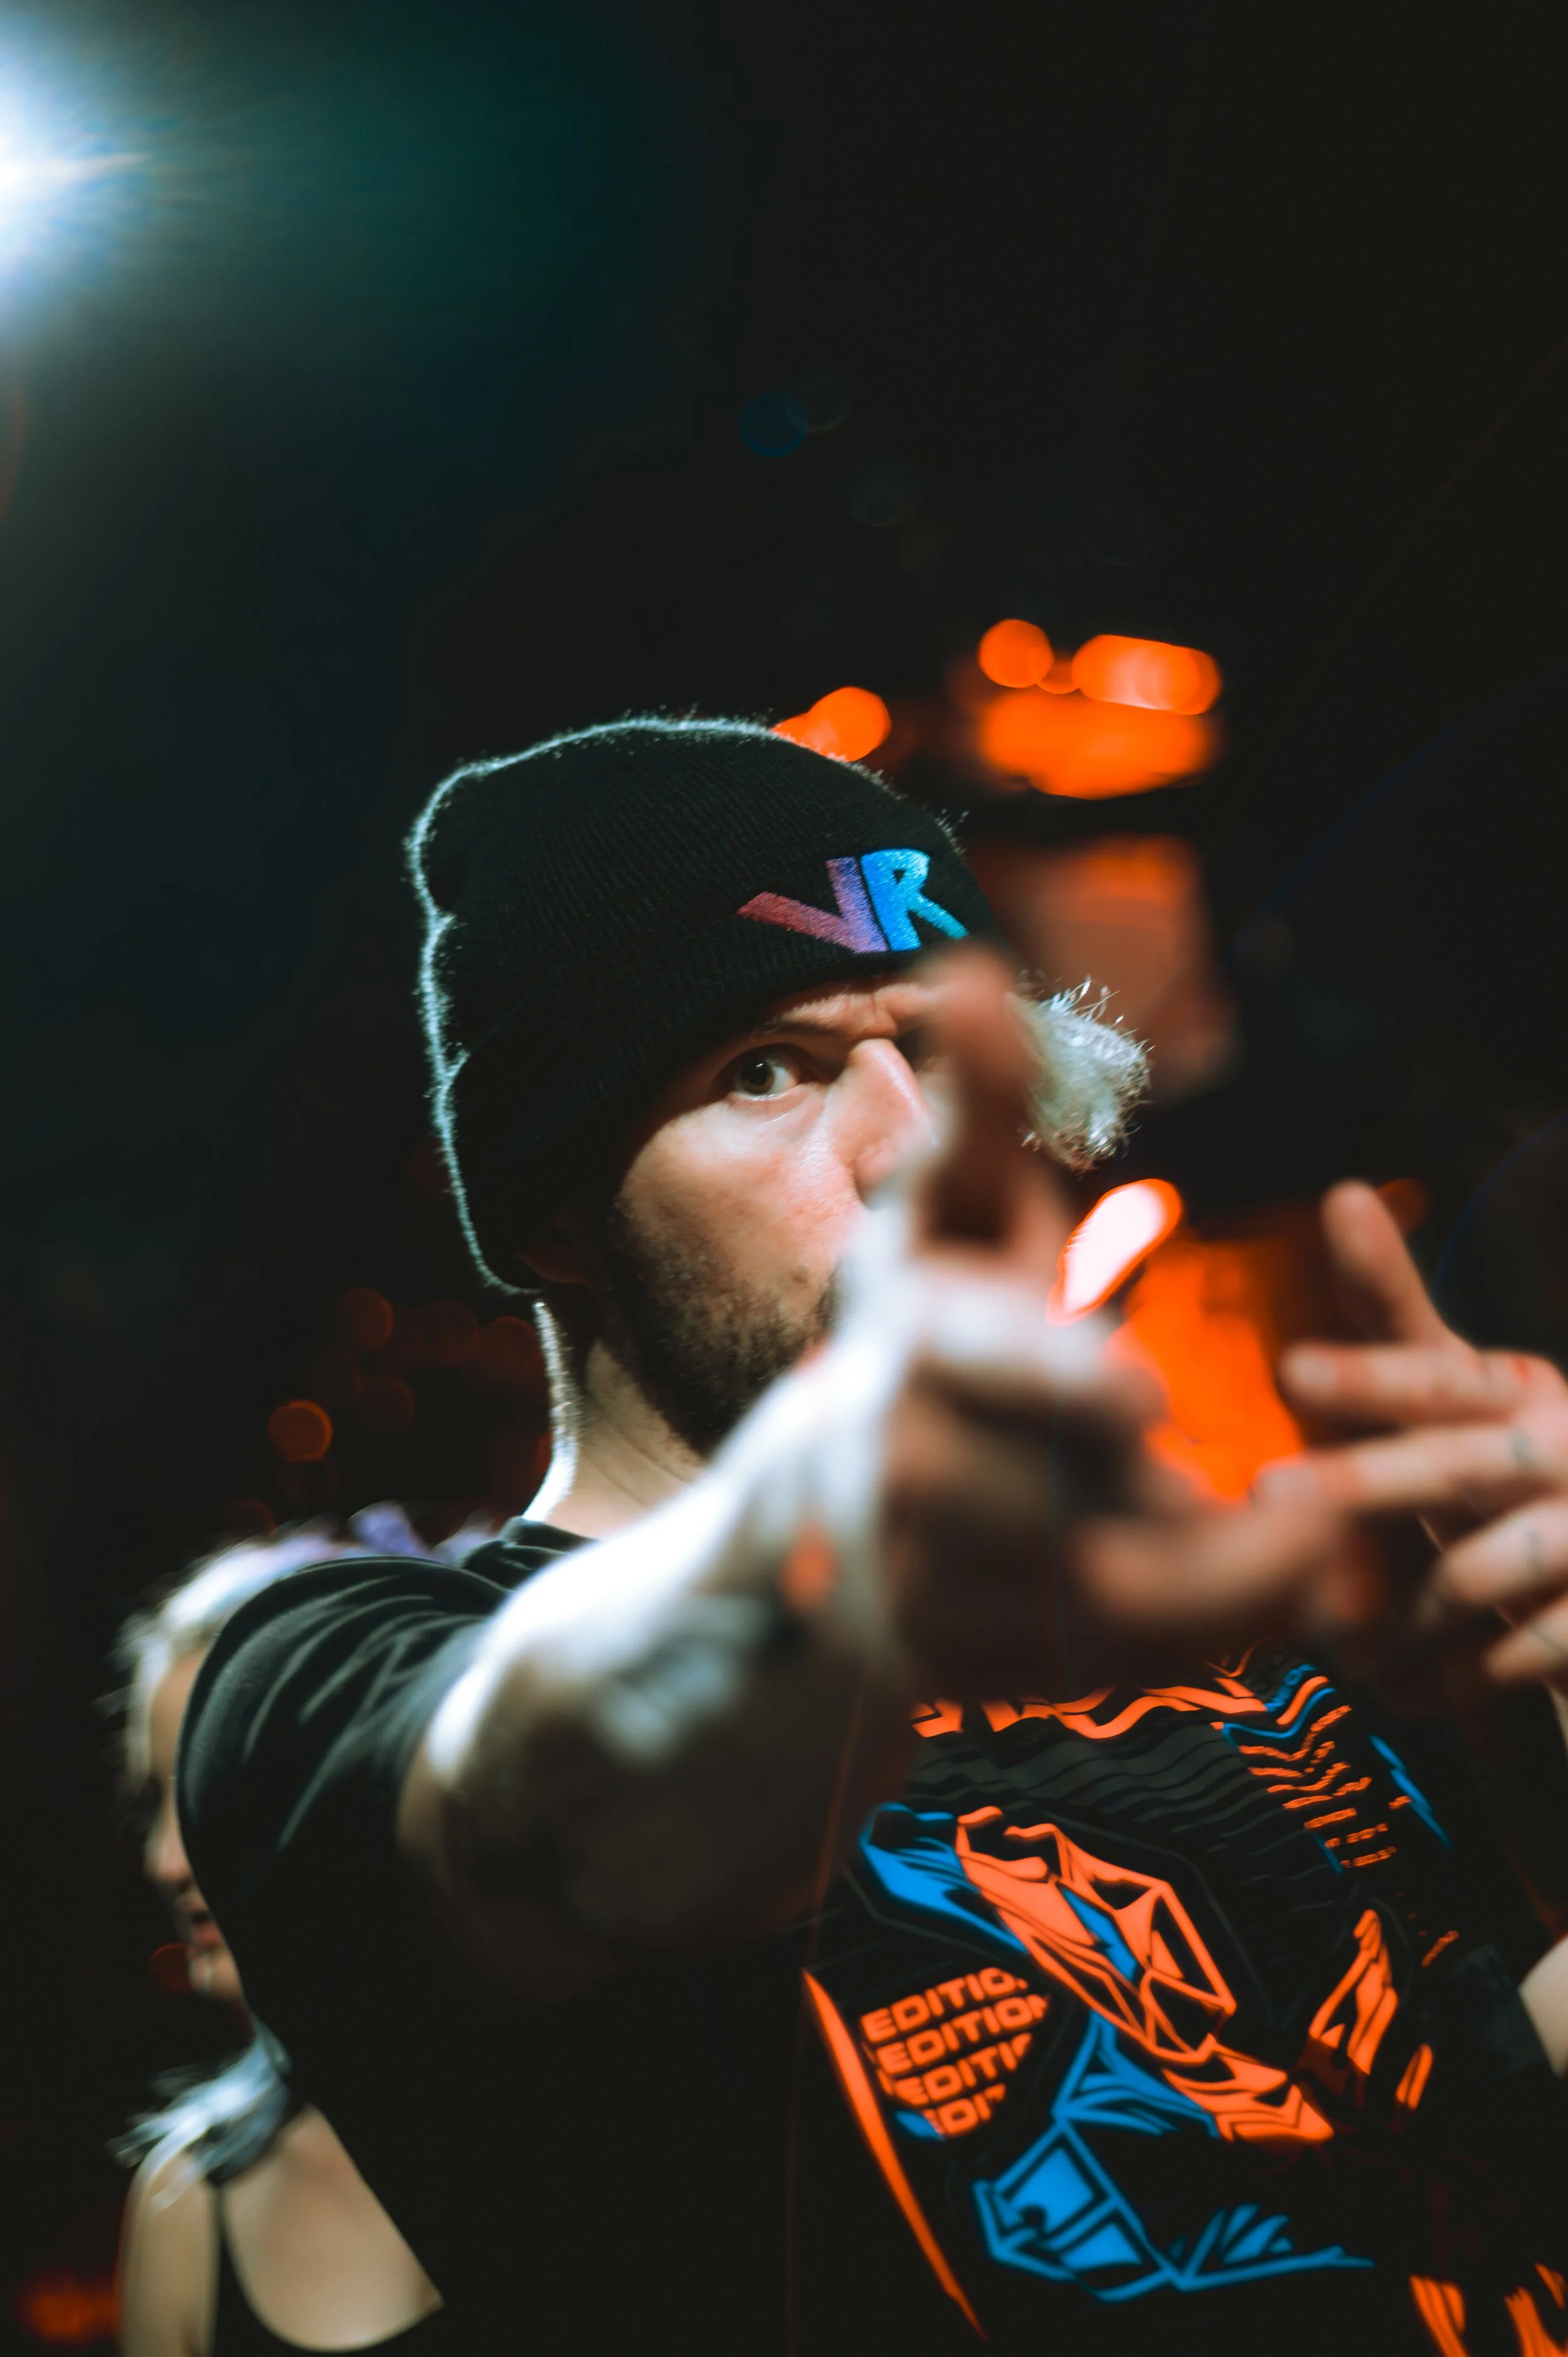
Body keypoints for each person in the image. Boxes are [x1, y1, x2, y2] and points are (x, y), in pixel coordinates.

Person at [176, 718, 1568, 2354]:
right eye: (765, 1068)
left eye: (948, 1057)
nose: (908, 1148)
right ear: (555, 1209)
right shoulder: (334, 1677)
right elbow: (536, 1792)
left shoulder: (1235, 1611)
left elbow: (1484, 2130)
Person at [115, 1523, 451, 2354]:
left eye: (203, 1789)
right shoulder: (189, 2203)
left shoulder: (584, 2140)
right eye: (150, 1799)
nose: (163, 1860)